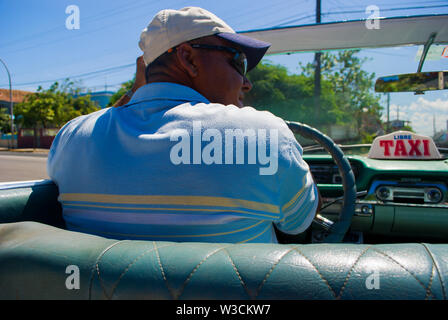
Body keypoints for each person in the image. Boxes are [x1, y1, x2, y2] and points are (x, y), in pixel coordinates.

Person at [47, 7, 320, 243]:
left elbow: (104, 122)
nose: (246, 82)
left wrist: (135, 91)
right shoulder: (264, 135)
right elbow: (297, 224)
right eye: (238, 62)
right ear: (189, 58)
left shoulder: (71, 137)